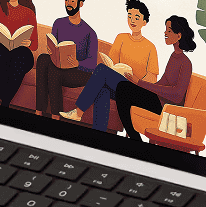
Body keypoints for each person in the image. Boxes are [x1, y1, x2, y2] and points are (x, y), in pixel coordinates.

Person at [63, 15, 195, 140]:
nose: (165, 33)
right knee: (104, 88)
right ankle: (99, 135)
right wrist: (139, 84)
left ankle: (79, 112)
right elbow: (161, 84)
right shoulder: (173, 57)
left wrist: (140, 83)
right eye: (166, 30)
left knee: (102, 71)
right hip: (153, 98)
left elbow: (177, 95)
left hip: (161, 107)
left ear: (179, 36)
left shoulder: (185, 63)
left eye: (169, 31)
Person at [34, 0, 97, 116]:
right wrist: (51, 51)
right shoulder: (58, 23)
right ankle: (39, 110)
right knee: (43, 59)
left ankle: (55, 116)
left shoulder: (90, 32)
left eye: (72, 0)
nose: (68, 3)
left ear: (81, 3)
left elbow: (92, 64)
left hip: (79, 72)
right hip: (59, 66)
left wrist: (77, 63)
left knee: (54, 70)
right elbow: (54, 46)